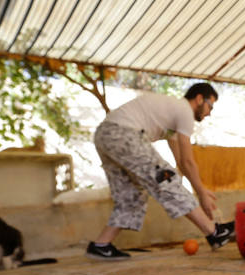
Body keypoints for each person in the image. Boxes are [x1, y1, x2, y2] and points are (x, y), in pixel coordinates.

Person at [86, 82, 235, 260]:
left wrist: (198, 191)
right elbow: (187, 161)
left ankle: (101, 245)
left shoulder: (172, 117)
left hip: (105, 135)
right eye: (211, 106)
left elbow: (181, 162)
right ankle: (213, 232)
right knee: (165, 177)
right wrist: (201, 193)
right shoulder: (184, 111)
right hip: (123, 132)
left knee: (131, 195)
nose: (210, 112)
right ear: (199, 99)